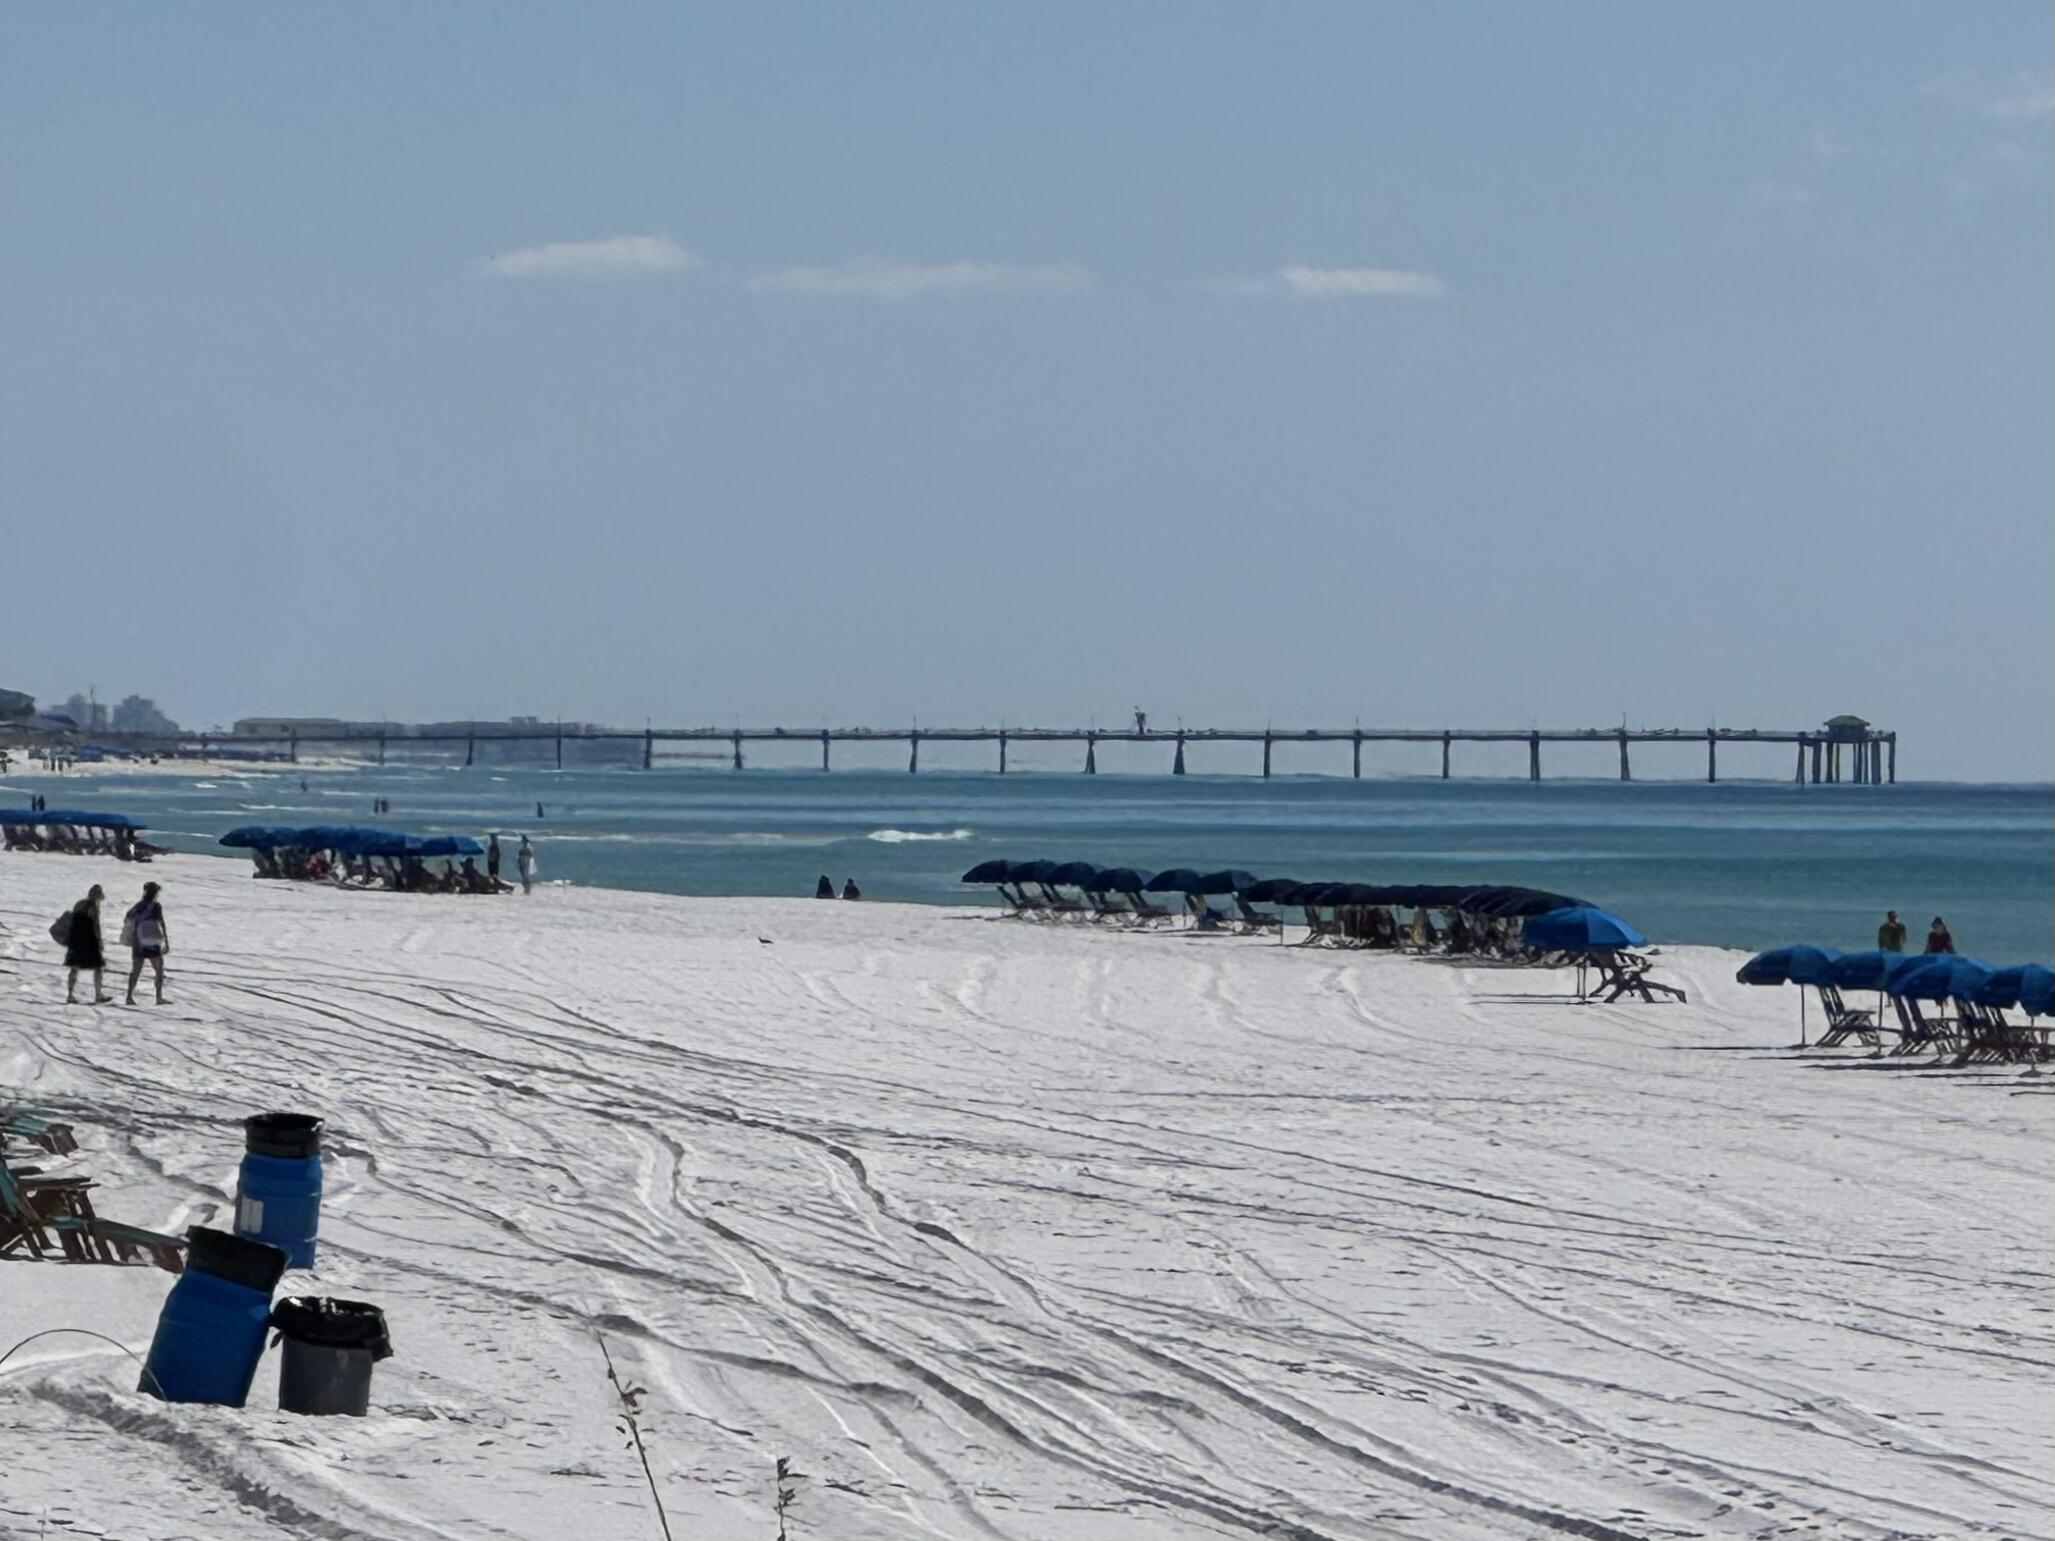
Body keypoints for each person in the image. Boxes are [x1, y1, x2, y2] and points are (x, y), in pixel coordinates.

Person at [123, 881, 171, 1005]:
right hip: (151, 942)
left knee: (136, 970)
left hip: (138, 941)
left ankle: (129, 997)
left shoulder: (137, 906)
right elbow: (161, 922)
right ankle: (158, 997)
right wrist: (165, 939)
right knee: (159, 969)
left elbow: (128, 918)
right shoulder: (156, 906)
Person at [61, 884, 109, 1004]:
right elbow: (95, 925)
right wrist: (99, 941)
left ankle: (70, 994)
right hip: (89, 941)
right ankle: (98, 994)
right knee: (98, 968)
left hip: (76, 941)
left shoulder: (79, 904)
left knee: (74, 968)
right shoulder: (93, 906)